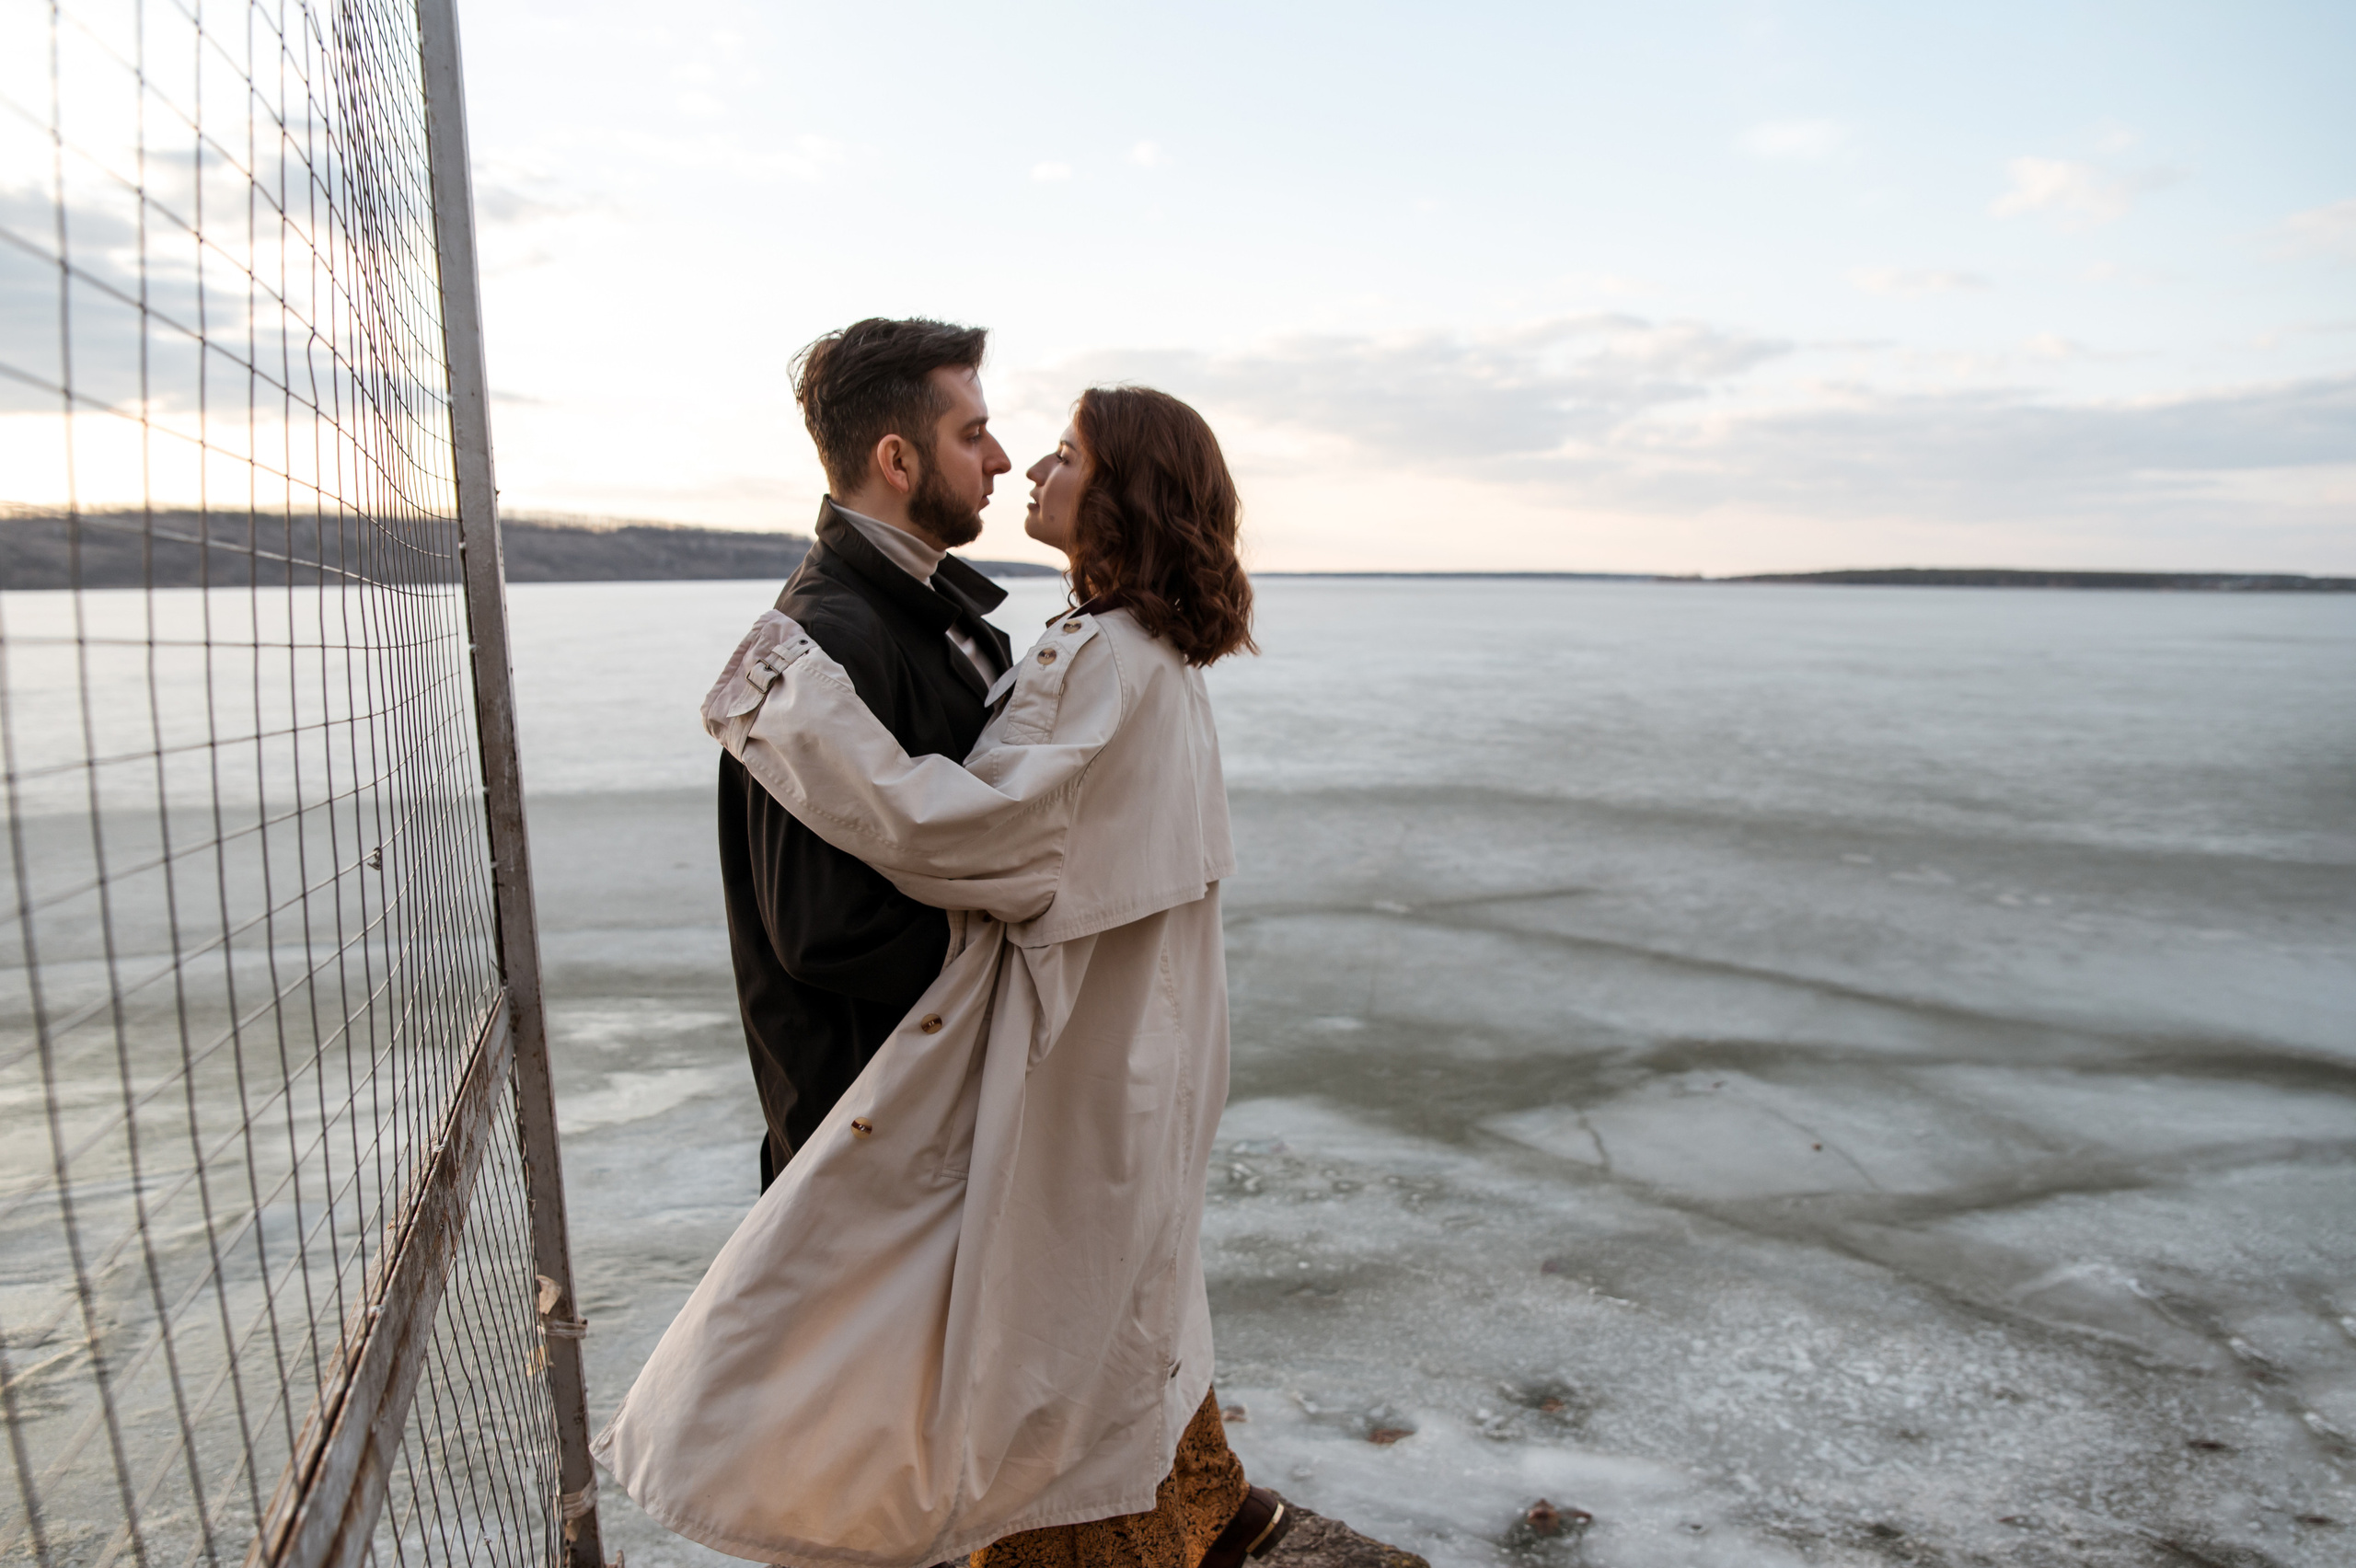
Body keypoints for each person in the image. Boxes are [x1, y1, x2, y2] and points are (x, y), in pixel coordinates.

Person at [595, 388, 1290, 1568]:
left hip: (1080, 1056)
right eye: (1001, 439)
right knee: (1102, 1312)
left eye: (1065, 453)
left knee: (1001, 1347)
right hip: (1129, 1051)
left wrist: (791, 706)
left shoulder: (1102, 657)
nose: (1028, 464)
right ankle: (1185, 1515)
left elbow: (967, 838)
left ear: (1124, 493)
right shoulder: (1149, 649)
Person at [719, 317, 1015, 1190]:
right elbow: (824, 927)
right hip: (867, 1155)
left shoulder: (934, 613)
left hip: (921, 1127)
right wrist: (1032, 942)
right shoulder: (828, 640)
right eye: (971, 434)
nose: (999, 458)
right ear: (898, 461)